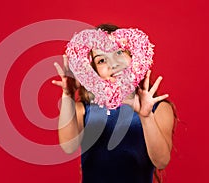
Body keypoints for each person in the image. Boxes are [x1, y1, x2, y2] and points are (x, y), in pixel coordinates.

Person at [52, 24, 176, 183]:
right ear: (94, 72)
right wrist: (68, 96)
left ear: (133, 55)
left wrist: (146, 117)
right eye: (102, 60)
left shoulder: (159, 108)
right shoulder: (84, 109)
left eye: (118, 52)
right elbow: (68, 147)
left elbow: (162, 161)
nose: (113, 63)